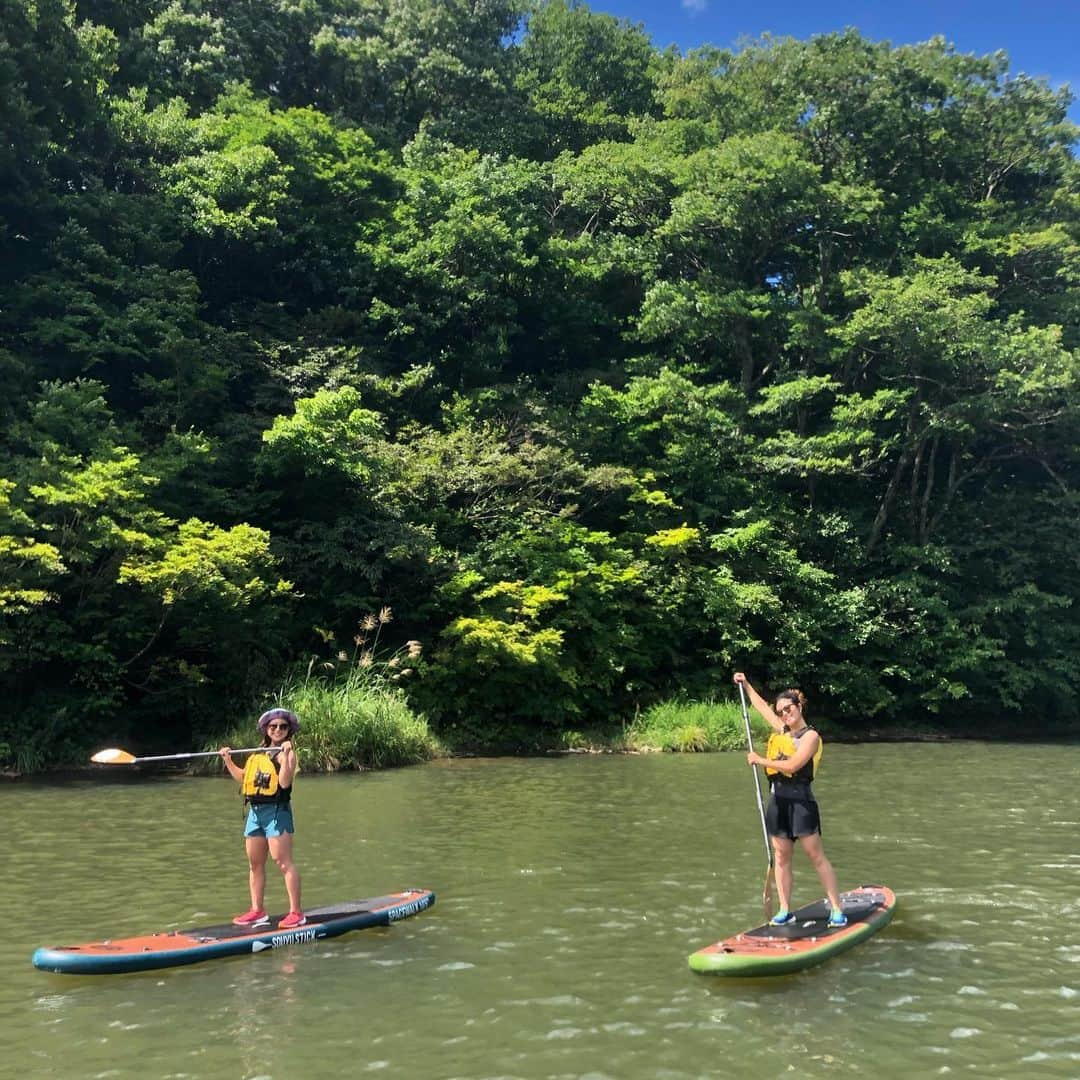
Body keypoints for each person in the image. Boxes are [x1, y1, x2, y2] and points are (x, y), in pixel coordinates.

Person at [734, 672, 848, 928]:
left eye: (788, 709)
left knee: (815, 855)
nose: (785, 714)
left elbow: (795, 765)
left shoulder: (811, 737)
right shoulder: (782, 730)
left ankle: (837, 909)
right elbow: (761, 707)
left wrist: (760, 760)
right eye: (781, 711)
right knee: (782, 856)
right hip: (778, 802)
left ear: (799, 706)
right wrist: (746, 684)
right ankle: (785, 909)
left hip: (801, 803)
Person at [219, 708, 305, 929]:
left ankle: (296, 913)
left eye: (283, 727)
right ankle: (257, 911)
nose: (277, 730)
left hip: (277, 812)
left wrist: (285, 756)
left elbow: (284, 783)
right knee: (255, 863)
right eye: (273, 726)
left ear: (288, 731)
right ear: (267, 729)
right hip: (255, 813)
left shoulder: (289, 753)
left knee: (282, 861)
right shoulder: (258, 753)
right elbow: (243, 778)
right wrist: (228, 760)